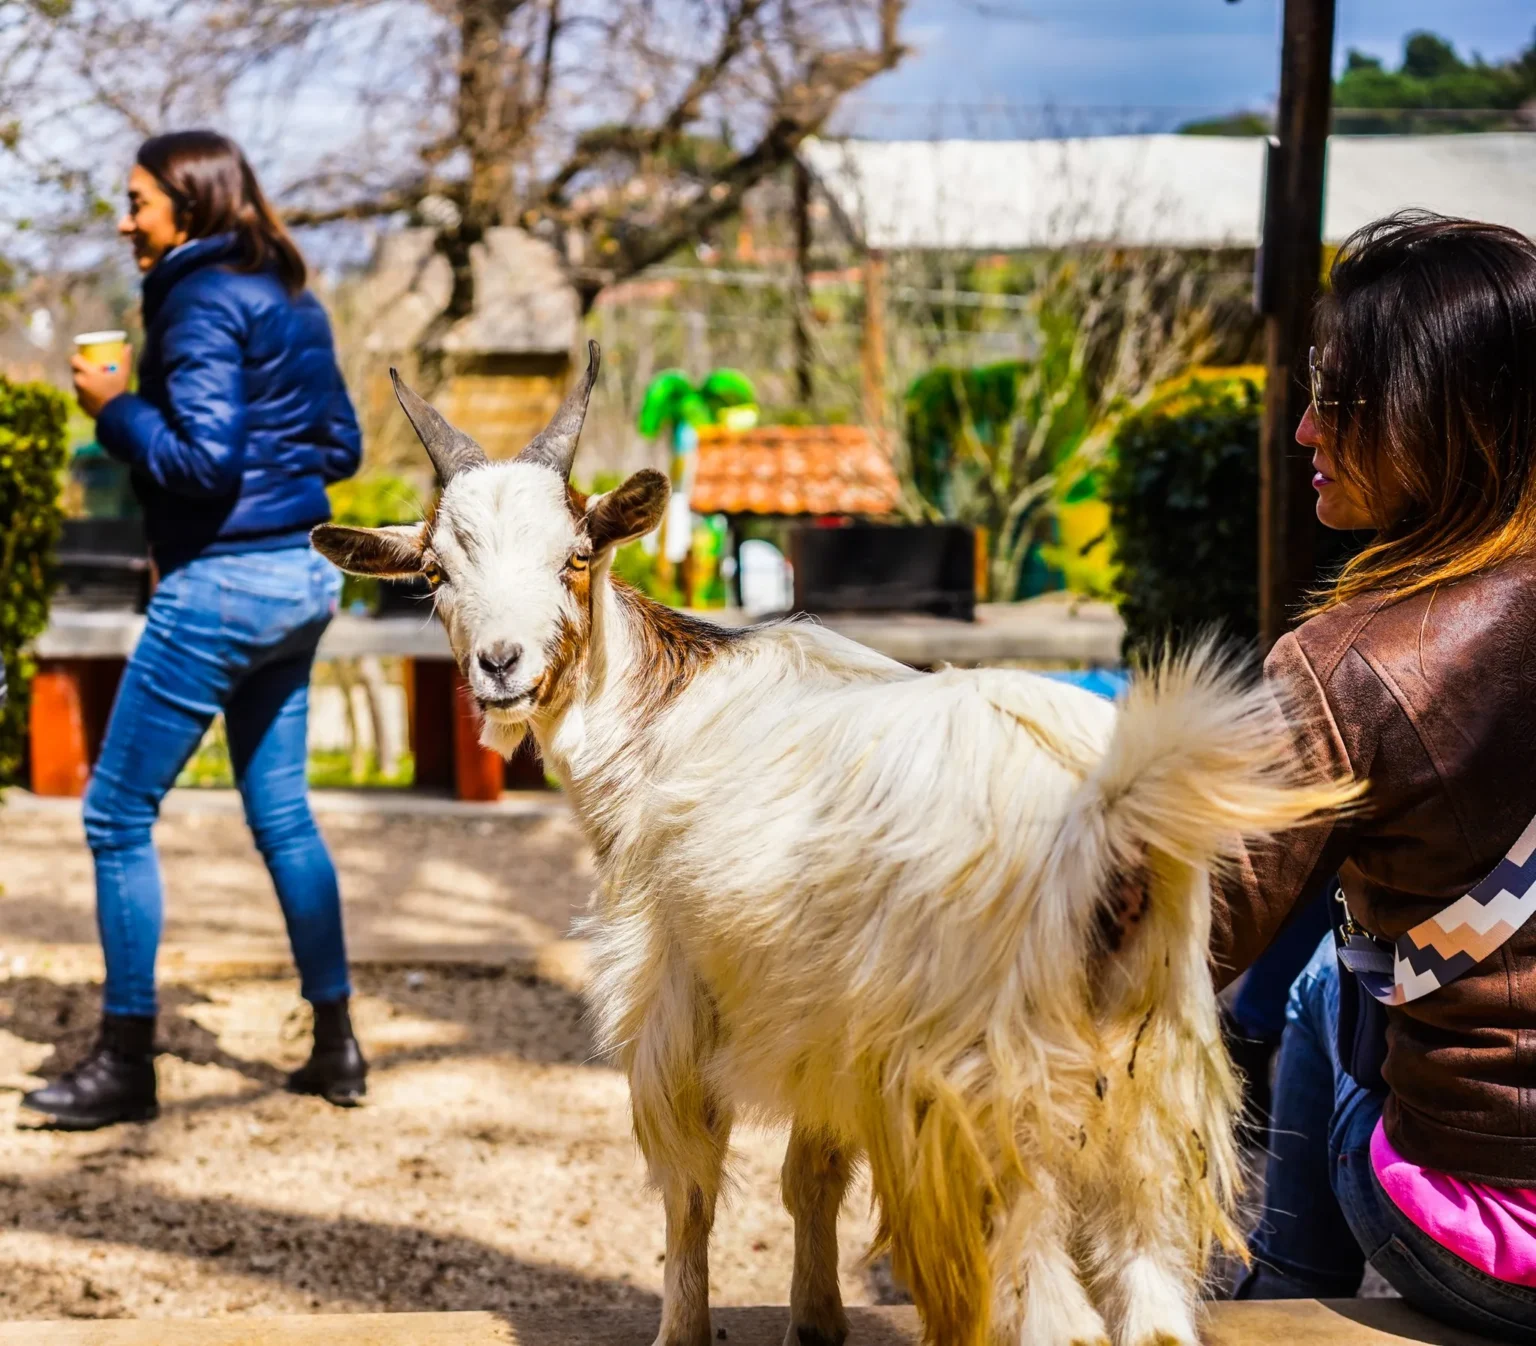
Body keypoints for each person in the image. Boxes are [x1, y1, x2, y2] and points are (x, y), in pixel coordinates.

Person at [1218, 212, 1536, 1341]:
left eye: (1337, 398)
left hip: (1487, 1242)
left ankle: (1282, 1289)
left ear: (1440, 416)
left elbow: (1184, 935)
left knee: (1312, 983)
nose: (1303, 427)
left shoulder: (1347, 669)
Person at [23, 130, 367, 1130]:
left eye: (138, 201)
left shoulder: (197, 296)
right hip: (302, 578)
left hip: (221, 586)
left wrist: (114, 407)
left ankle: (127, 1060)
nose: (126, 221)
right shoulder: (290, 291)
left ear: (191, 201)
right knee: (285, 815)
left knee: (115, 813)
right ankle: (337, 1043)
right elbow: (338, 443)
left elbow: (202, 463)